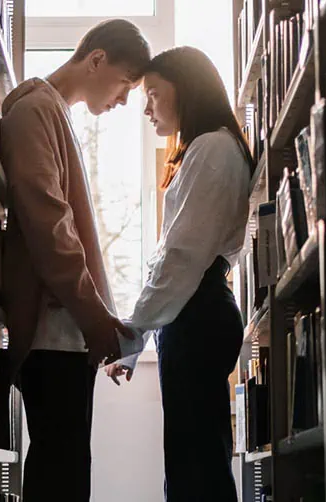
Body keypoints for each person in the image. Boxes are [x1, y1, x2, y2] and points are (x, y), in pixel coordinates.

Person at [0, 19, 151, 502]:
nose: (125, 99)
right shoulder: (34, 114)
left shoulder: (53, 114)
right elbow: (52, 231)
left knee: (64, 472)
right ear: (97, 59)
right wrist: (97, 322)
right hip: (52, 338)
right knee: (60, 477)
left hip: (65, 336)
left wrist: (98, 324)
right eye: (126, 83)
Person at [106, 46, 255, 501]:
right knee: (195, 459)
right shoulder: (206, 147)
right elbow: (176, 264)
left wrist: (131, 336)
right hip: (194, 314)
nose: (146, 108)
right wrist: (138, 338)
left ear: (185, 89)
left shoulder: (212, 148)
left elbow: (179, 260)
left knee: (195, 467)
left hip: (198, 315)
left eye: (153, 93)